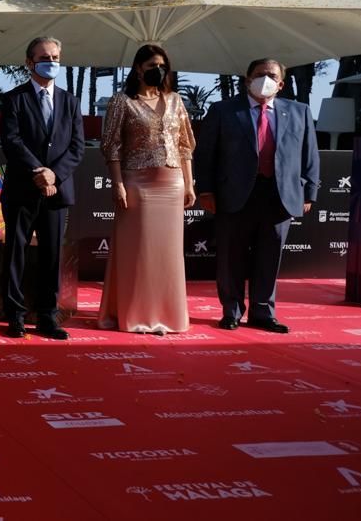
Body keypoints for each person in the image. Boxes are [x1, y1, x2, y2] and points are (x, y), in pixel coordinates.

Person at [194, 58, 320, 333]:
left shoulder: (299, 112)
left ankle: (263, 313)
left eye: (271, 75)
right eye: (260, 74)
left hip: (279, 195)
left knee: (270, 255)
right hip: (234, 194)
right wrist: (205, 189)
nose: (266, 79)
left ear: (281, 83)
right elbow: (205, 154)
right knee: (231, 256)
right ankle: (232, 311)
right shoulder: (223, 110)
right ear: (247, 79)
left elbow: (310, 155)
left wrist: (309, 193)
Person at [97, 44, 196, 335]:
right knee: (137, 252)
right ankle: (135, 314)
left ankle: (168, 315)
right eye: (152, 65)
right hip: (137, 184)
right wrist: (118, 184)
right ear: (138, 68)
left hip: (173, 182)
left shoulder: (176, 101)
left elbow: (185, 146)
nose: (158, 70)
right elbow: (111, 147)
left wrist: (190, 183)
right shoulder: (121, 101)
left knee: (168, 254)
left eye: (163, 65)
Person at [0, 36, 85, 339]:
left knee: (51, 255)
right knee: (16, 253)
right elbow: (12, 141)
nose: (52, 62)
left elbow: (77, 147)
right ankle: (15, 315)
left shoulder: (70, 102)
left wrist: (54, 175)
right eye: (45, 57)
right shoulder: (14, 99)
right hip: (23, 188)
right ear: (30, 62)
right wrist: (38, 171)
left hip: (57, 191)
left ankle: (48, 316)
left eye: (57, 57)